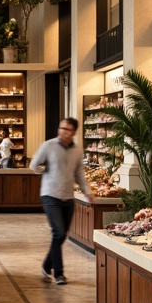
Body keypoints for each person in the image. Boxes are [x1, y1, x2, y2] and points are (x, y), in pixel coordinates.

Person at [30, 117, 94, 285]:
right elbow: (33, 166)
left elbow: (79, 173)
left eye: (67, 129)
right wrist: (44, 168)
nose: (62, 132)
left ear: (74, 132)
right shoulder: (48, 146)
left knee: (62, 236)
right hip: (50, 195)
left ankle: (46, 264)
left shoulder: (77, 151)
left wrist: (88, 192)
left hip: (68, 197)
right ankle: (59, 273)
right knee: (58, 233)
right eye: (61, 128)